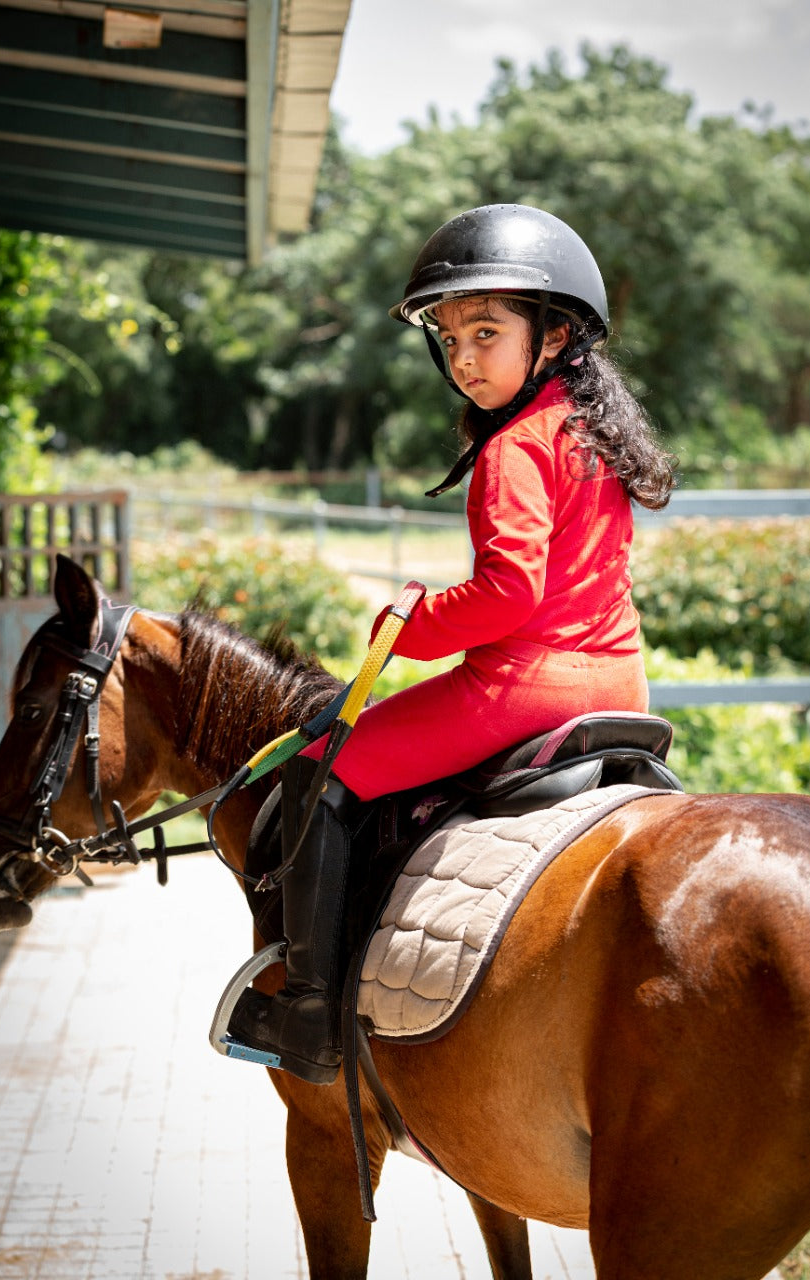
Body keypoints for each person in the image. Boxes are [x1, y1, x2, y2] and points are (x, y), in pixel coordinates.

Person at [227, 203, 676, 1084]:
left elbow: (509, 595)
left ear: (551, 339)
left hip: (527, 684)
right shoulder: (591, 433)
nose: (464, 358)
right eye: (449, 336)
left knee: (323, 767)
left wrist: (407, 623)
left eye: (485, 331)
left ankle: (309, 1010)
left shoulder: (513, 447)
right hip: (621, 683)